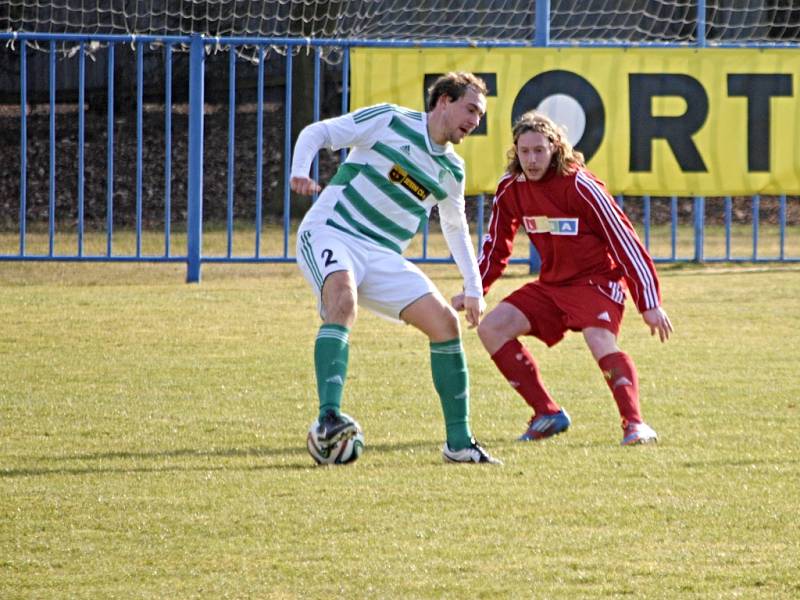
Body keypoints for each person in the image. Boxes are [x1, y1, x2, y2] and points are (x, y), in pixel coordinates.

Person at [290, 72, 501, 464]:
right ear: (443, 101)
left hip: (382, 255)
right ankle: (328, 421)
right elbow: (318, 131)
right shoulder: (389, 120)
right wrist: (300, 170)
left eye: (481, 115)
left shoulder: (451, 171)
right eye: (470, 109)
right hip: (332, 232)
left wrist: (474, 288)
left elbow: (456, 229)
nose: (475, 121)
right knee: (343, 299)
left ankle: (459, 444)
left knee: (444, 323)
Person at [453, 111, 673, 445]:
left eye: (539, 150)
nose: (531, 159)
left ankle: (636, 425)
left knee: (599, 339)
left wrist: (649, 301)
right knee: (492, 328)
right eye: (524, 151)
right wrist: (474, 289)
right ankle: (547, 414)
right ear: (515, 150)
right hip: (552, 285)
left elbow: (624, 240)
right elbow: (497, 246)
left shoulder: (580, 185)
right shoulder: (511, 187)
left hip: (596, 281)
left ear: (556, 147)